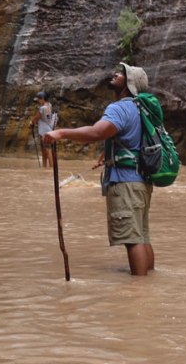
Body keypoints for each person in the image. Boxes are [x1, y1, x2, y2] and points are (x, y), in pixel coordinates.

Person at [44, 63, 155, 276]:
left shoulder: (120, 107)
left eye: (122, 74)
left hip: (125, 183)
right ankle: (148, 283)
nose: (116, 74)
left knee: (132, 240)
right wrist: (109, 154)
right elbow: (131, 140)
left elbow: (97, 132)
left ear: (129, 84)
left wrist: (62, 133)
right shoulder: (141, 108)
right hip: (141, 180)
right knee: (142, 236)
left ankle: (139, 294)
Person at [29, 91, 55, 168]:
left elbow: (37, 117)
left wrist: (32, 122)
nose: (38, 101)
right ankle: (44, 167)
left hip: (44, 131)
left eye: (39, 99)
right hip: (48, 129)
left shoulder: (42, 108)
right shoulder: (49, 105)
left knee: (47, 149)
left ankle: (51, 167)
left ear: (43, 99)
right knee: (44, 149)